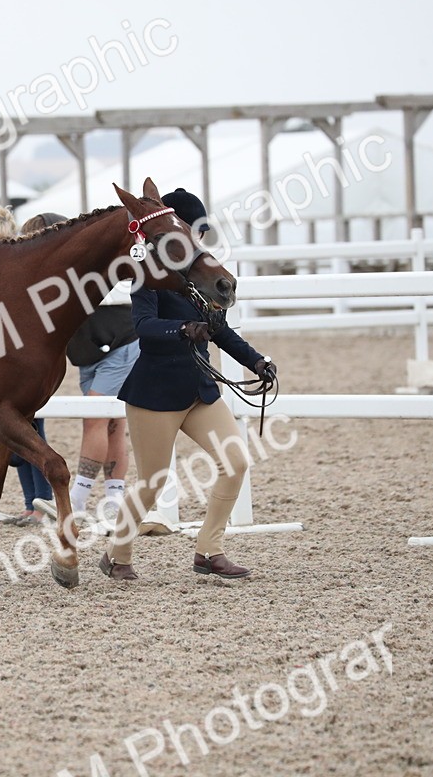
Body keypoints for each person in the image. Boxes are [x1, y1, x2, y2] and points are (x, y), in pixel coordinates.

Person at [100, 188, 277, 581]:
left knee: (235, 462)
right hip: (155, 395)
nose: (197, 241)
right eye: (191, 232)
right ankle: (118, 554)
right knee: (152, 481)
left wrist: (257, 361)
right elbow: (144, 328)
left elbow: (222, 333)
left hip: (199, 391)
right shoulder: (150, 276)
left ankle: (209, 550)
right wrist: (183, 328)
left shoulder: (201, 278)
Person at [0, 201, 56, 524]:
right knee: (16, 438)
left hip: (21, 366)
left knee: (31, 433)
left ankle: (42, 501)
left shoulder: (18, 270)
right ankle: (31, 502)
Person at [62, 222, 140, 528]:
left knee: (95, 418)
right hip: (93, 352)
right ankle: (113, 500)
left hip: (120, 346)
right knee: (112, 423)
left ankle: (77, 501)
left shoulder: (94, 265)